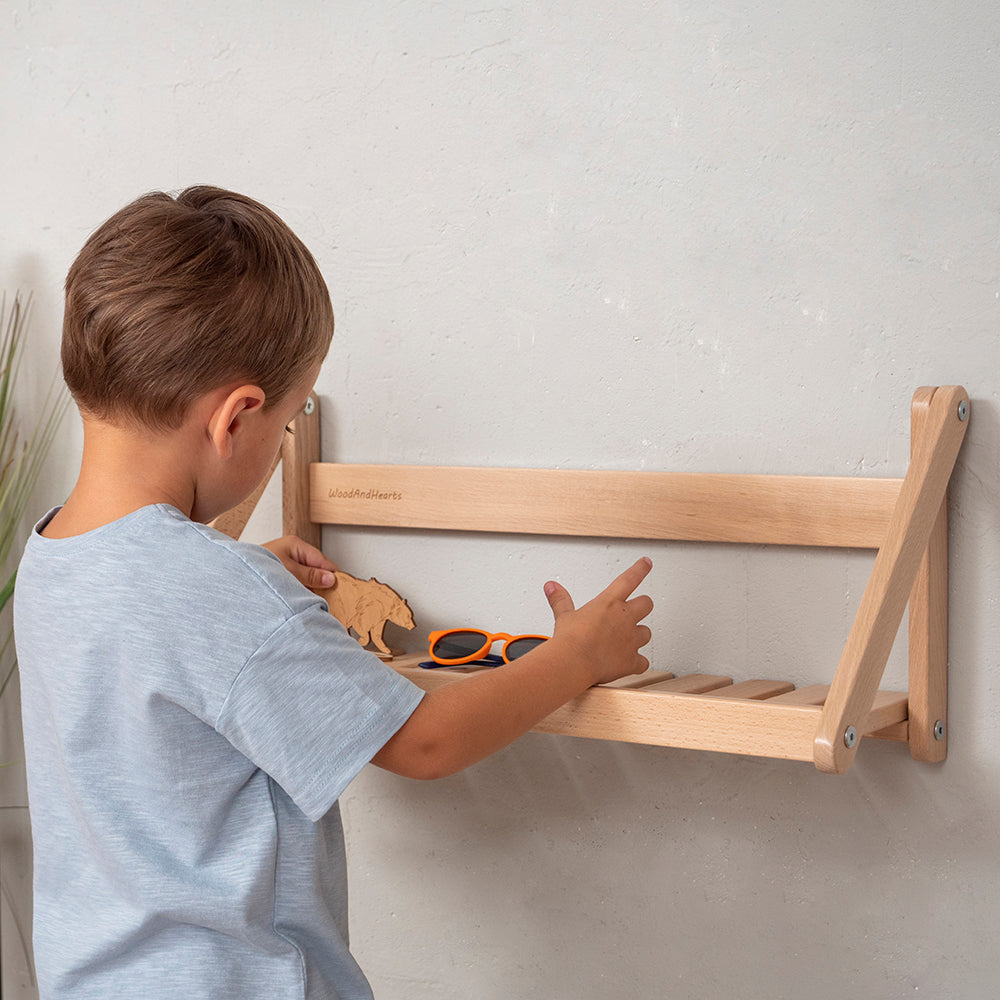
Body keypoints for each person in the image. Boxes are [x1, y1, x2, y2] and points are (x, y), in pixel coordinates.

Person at [14, 186, 653, 1000]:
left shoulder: (53, 553)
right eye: (285, 426)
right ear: (236, 418)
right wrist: (576, 656)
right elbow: (424, 743)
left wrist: (244, 588)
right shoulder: (221, 589)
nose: (282, 441)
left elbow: (161, 635)